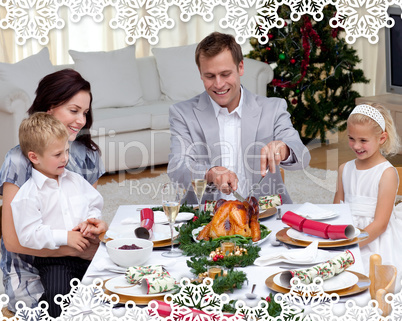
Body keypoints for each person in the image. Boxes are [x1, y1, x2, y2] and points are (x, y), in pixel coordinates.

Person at [0, 69, 106, 312]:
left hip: (78, 251)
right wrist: (75, 249)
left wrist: (95, 229)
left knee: (113, 295)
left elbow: (92, 209)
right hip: (31, 262)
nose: (81, 120)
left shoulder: (88, 154)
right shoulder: (18, 160)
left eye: (85, 112)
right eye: (73, 110)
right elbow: (13, 241)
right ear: (49, 108)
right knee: (59, 306)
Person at [168, 32, 310, 204]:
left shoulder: (273, 108)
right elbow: (177, 167)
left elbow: (303, 156)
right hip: (207, 218)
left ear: (240, 67)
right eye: (210, 76)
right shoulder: (182, 113)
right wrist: (210, 173)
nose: (219, 84)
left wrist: (284, 149)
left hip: (266, 214)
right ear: (200, 73)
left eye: (226, 74)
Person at [333, 103, 402, 284]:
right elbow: (336, 211)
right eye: (351, 138)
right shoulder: (344, 169)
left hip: (374, 239)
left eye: (363, 140)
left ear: (381, 138)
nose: (356, 145)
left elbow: (380, 224)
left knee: (363, 278)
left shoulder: (386, 174)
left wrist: (351, 247)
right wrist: (335, 241)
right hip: (346, 233)